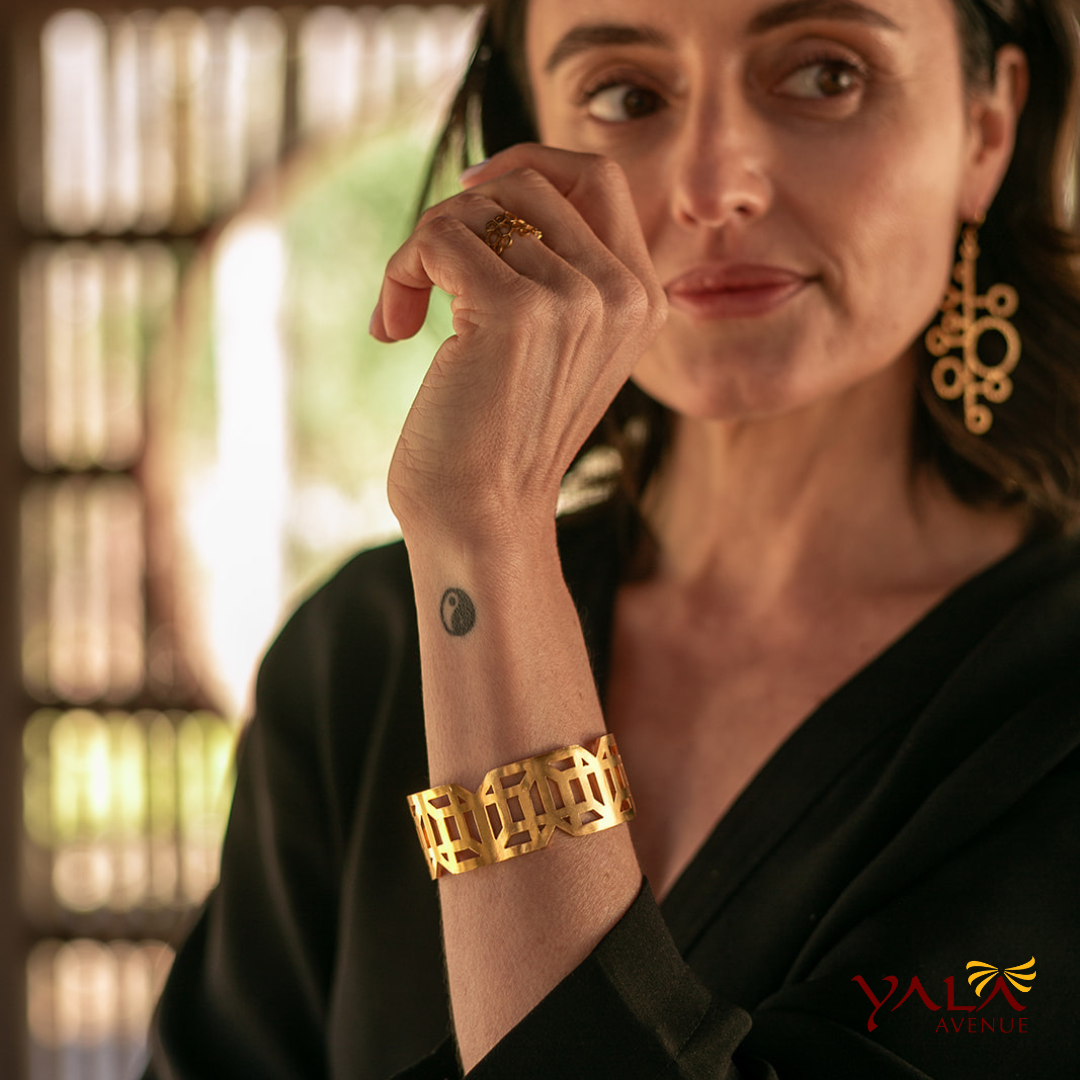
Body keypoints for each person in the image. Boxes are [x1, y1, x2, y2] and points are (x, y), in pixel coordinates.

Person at [144, 0, 1080, 1077]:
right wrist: (478, 540)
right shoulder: (365, 653)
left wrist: (488, 542)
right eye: (627, 95)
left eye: (826, 75)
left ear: (987, 129)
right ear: (529, 164)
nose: (712, 186)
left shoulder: (1051, 702)